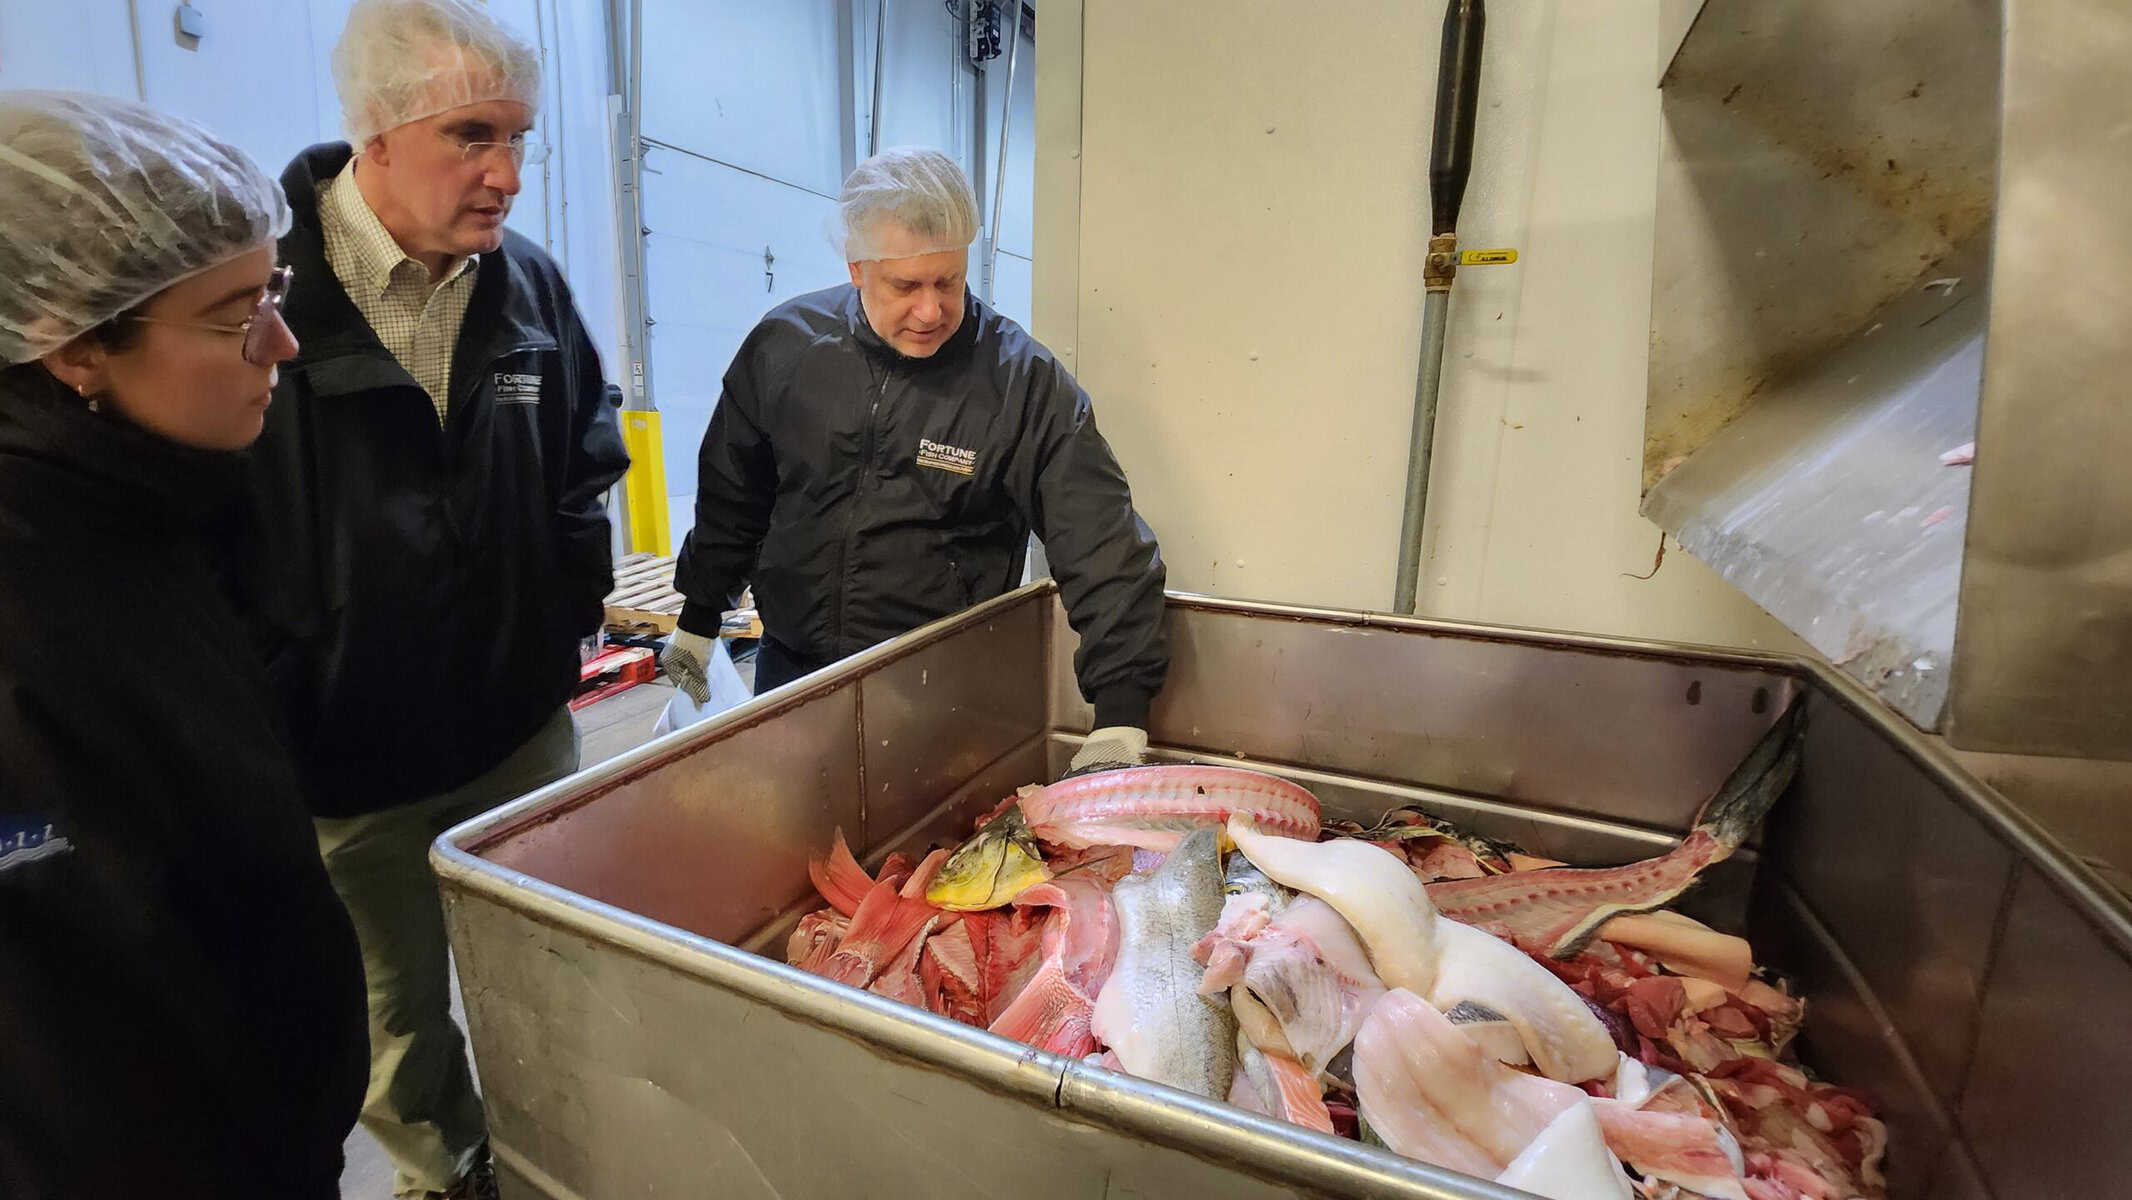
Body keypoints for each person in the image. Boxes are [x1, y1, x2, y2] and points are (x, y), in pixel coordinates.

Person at [218, 2, 629, 1196]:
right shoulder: (266, 295)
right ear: (375, 135)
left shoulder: (530, 290)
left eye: (519, 140)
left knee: (557, 973)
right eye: (473, 137)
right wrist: (277, 689)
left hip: (519, 731)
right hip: (346, 762)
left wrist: (561, 618)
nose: (506, 174)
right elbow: (205, 520)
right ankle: (447, 1176)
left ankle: (565, 1158)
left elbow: (584, 460)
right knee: (391, 1019)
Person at [0, 91, 367, 1198]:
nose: (284, 344)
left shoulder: (136, 511)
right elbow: (69, 1034)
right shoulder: (32, 602)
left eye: (279, 294)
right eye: (233, 315)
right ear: (75, 346)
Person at [663, 148, 1168, 774]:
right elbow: (734, 495)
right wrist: (700, 612)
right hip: (795, 675)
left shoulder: (1020, 384)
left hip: (945, 695)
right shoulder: (787, 347)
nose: (930, 311)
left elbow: (1103, 543)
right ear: (856, 268)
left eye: (948, 282)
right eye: (905, 286)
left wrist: (1121, 710)